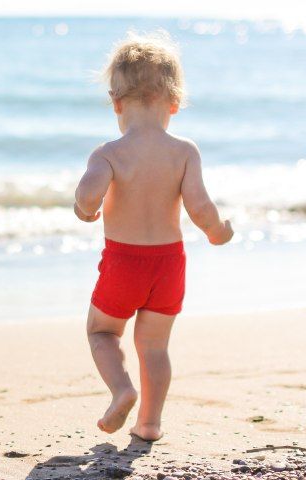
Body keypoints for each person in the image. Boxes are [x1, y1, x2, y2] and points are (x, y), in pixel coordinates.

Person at [73, 31, 234, 441]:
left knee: (102, 332)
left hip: (125, 262)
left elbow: (88, 192)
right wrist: (218, 232)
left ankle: (121, 389)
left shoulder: (109, 152)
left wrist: (86, 209)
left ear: (116, 102)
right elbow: (200, 206)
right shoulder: (185, 152)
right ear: (175, 103)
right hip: (168, 264)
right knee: (155, 347)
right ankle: (149, 424)